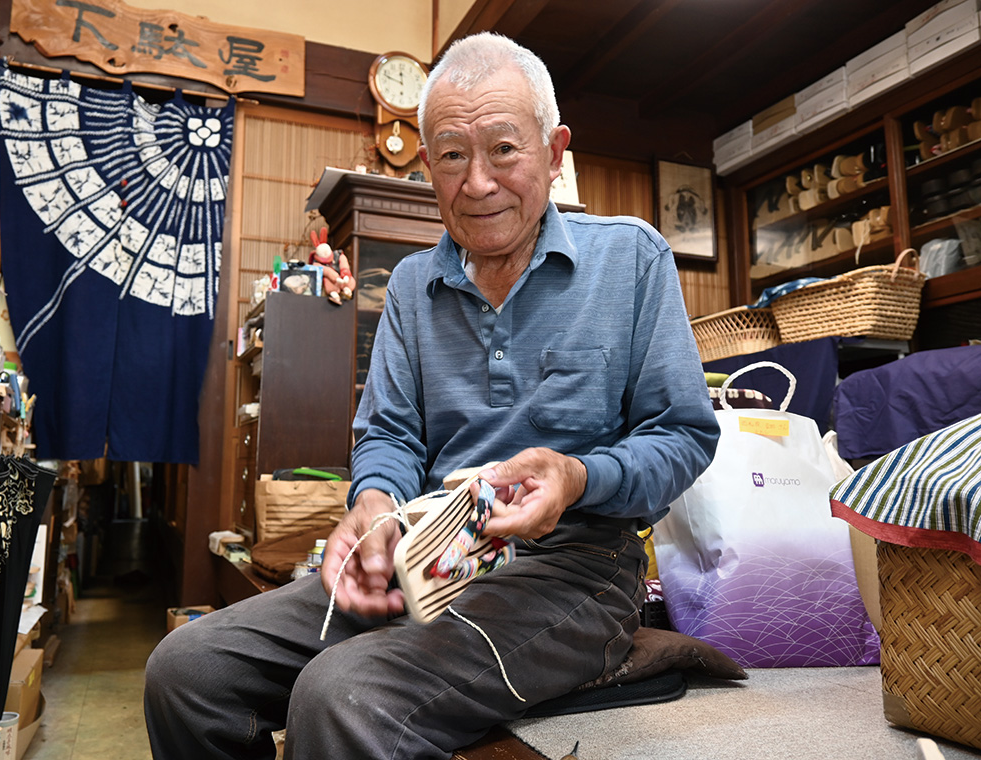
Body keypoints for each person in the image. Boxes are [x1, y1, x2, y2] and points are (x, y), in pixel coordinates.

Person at [145, 32, 718, 759]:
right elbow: (390, 434)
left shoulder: (631, 257)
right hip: (427, 560)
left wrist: (577, 476)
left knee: (340, 694)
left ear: (554, 152)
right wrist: (374, 504)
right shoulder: (413, 286)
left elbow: (683, 435)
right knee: (187, 670)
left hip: (576, 571)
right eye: (451, 155)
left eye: (504, 150)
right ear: (427, 166)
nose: (477, 183)